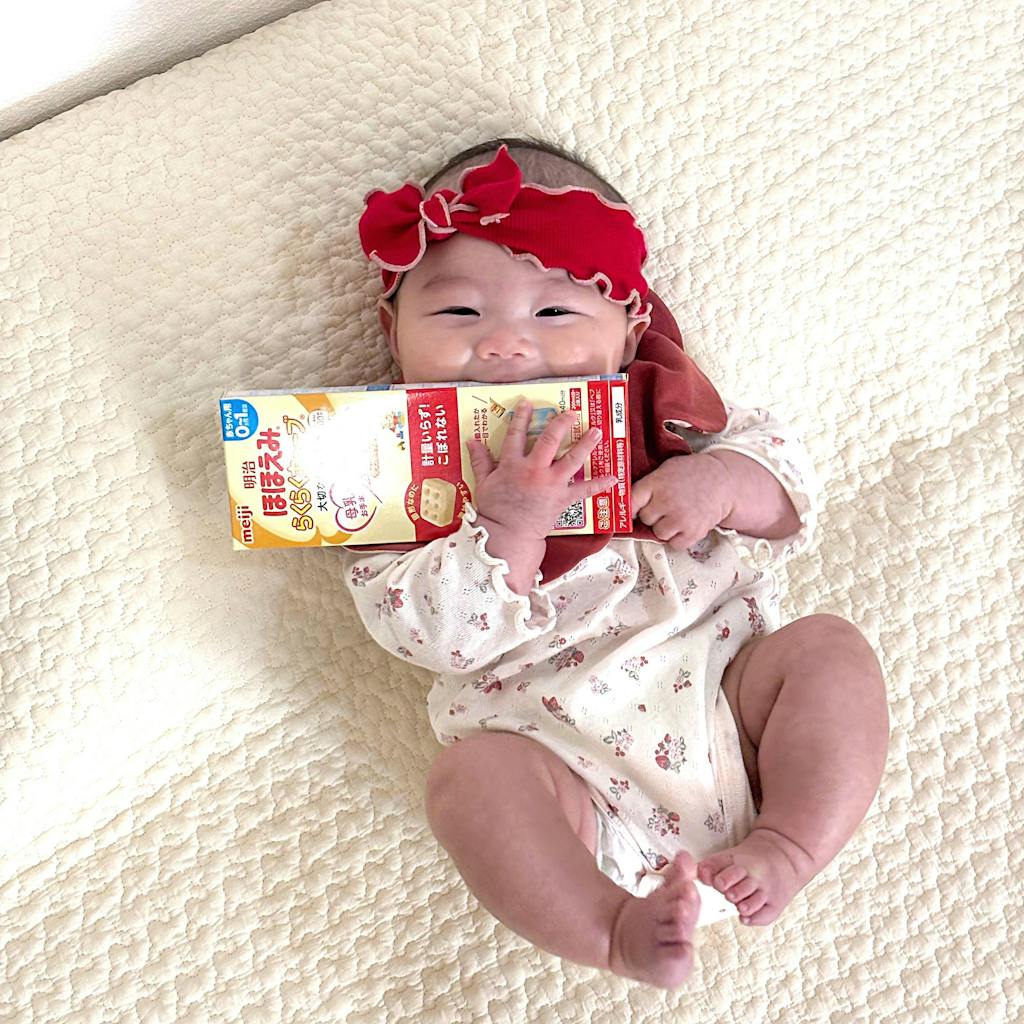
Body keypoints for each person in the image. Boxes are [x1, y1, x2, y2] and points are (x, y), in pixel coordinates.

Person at [341, 138, 889, 990]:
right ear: (393, 330)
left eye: (555, 314)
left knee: (829, 650)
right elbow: (431, 638)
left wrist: (720, 483)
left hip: (729, 706)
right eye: (459, 314)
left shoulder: (661, 411)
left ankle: (789, 845)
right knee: (469, 783)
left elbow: (788, 492)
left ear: (629, 328)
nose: (505, 347)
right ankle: (610, 928)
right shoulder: (385, 473)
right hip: (559, 765)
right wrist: (508, 528)